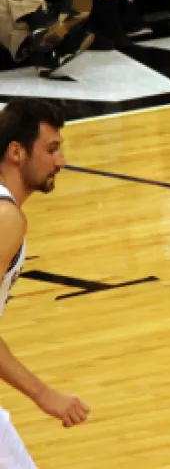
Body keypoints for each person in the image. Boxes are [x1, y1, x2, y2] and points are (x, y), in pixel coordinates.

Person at [0, 99, 92, 467]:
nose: (61, 161)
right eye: (51, 149)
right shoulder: (6, 219)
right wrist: (43, 394)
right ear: (16, 152)